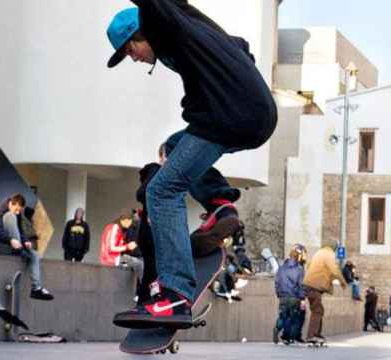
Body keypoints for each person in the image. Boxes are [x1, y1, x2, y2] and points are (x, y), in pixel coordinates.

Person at [106, 1, 277, 329]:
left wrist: (227, 94)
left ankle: (174, 294)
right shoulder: (195, 36)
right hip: (248, 115)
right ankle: (220, 205)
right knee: (172, 147)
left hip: (230, 117)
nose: (134, 58)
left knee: (161, 190)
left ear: (144, 33)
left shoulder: (168, 25)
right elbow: (240, 46)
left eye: (131, 50)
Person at [0, 194, 54, 300]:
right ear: (11, 203)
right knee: (10, 216)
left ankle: (36, 288)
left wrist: (25, 241)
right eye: (16, 209)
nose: (17, 213)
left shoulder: (18, 213)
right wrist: (11, 240)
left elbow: (20, 231)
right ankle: (19, 250)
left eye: (19, 211)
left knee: (34, 255)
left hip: (14, 245)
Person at [303, 246, 347, 344]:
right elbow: (334, 269)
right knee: (317, 311)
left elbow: (309, 266)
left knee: (318, 310)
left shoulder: (318, 253)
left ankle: (317, 334)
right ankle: (311, 335)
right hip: (314, 287)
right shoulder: (328, 254)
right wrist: (343, 281)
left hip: (309, 285)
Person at [99, 212, 144, 289]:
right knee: (140, 263)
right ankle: (143, 288)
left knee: (133, 263)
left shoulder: (112, 227)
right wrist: (127, 247)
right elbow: (111, 248)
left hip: (110, 258)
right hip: (112, 259)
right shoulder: (115, 227)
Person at [273, 244, 307, 344]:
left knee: (283, 316)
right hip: (294, 296)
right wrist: (302, 298)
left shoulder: (282, 268)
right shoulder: (299, 269)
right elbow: (301, 285)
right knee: (294, 317)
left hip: (283, 296)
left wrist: (279, 294)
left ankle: (277, 328)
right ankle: (287, 337)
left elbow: (277, 282)